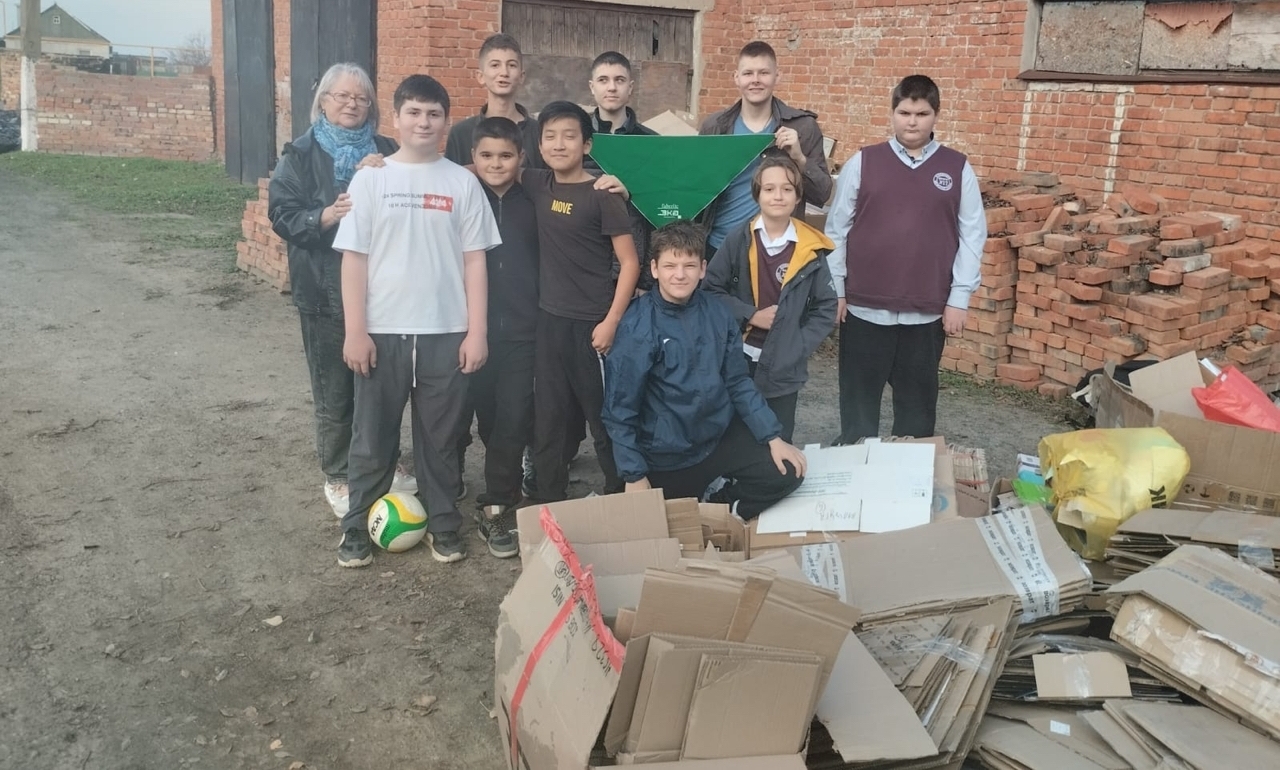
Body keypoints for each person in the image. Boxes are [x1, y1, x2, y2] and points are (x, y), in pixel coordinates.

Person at [331, 74, 501, 568]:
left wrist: (476, 331)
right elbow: (354, 259)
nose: (423, 122)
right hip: (381, 331)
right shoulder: (371, 178)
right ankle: (356, 526)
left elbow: (475, 260)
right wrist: (355, 331)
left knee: (441, 436)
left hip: (446, 331)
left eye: (433, 114)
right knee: (372, 435)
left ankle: (444, 522)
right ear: (396, 117)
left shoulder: (462, 182)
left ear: (446, 122)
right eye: (413, 112)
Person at [267, 62, 415, 520]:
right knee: (336, 390)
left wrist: (383, 173)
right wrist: (326, 215)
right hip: (324, 290)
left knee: (381, 387)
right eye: (343, 96)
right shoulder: (300, 154)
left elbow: (410, 200)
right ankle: (338, 473)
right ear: (323, 101)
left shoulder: (387, 149)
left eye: (361, 98)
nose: (352, 104)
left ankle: (382, 463)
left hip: (383, 290)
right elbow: (282, 215)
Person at [603, 220, 807, 519]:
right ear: (655, 269)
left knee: (789, 469)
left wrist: (773, 436)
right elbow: (619, 411)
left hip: (716, 438)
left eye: (689, 265)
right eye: (670, 266)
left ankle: (723, 503)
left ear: (702, 269)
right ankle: (696, 501)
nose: (680, 275)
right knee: (667, 523)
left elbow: (738, 382)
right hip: (668, 455)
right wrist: (634, 475)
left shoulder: (718, 313)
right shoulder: (637, 328)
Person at [824, 74, 984, 444]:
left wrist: (959, 298)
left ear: (936, 115)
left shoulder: (957, 168)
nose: (912, 122)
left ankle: (908, 476)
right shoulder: (863, 162)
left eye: (922, 114)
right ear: (893, 113)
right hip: (864, 308)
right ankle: (857, 469)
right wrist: (837, 290)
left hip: (926, 312)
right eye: (905, 113)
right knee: (858, 408)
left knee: (917, 413)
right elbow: (836, 230)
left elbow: (972, 235)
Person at [522, 101, 641, 504]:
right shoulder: (538, 183)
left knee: (603, 419)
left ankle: (619, 497)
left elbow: (630, 263)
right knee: (549, 420)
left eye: (569, 136)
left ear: (587, 145)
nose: (559, 144)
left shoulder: (602, 193)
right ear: (540, 145)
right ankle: (548, 501)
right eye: (550, 136)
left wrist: (611, 322)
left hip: (594, 326)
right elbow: (490, 168)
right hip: (549, 323)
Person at [704, 155, 838, 442]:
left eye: (787, 189)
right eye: (769, 189)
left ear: (798, 196)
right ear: (757, 195)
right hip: (739, 358)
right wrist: (750, 314)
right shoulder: (737, 240)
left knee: (778, 438)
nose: (778, 196)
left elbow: (826, 307)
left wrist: (797, 345)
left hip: (783, 366)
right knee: (735, 437)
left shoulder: (812, 249)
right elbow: (710, 291)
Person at [464, 116, 538, 558]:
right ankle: (459, 487)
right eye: (487, 155)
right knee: (482, 418)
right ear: (472, 157)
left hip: (524, 332)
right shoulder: (462, 194)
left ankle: (496, 505)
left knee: (514, 416)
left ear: (521, 157)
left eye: (506, 155)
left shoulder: (536, 198)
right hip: (469, 331)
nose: (496, 164)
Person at [699, 40, 833, 253]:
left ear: (777, 76)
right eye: (748, 73)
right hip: (719, 246)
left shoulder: (803, 127)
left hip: (776, 250)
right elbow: (698, 190)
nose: (755, 80)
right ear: (736, 78)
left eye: (763, 73)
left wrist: (799, 159)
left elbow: (822, 194)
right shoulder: (715, 127)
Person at [444, 33, 544, 169]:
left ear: (521, 76)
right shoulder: (461, 134)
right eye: (495, 65)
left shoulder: (539, 133)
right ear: (480, 76)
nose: (504, 73)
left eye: (512, 65)